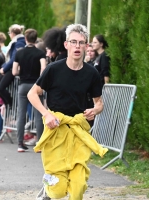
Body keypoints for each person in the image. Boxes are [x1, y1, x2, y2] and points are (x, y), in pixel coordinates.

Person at [28, 24, 108, 200]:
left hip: (79, 131)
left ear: (87, 46)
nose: (77, 46)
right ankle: (48, 190)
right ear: (66, 45)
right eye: (73, 42)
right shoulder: (53, 70)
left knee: (78, 187)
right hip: (56, 128)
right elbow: (32, 94)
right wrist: (46, 114)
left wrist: (95, 110)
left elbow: (99, 103)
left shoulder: (92, 73)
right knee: (57, 192)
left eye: (81, 43)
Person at [12, 28, 46, 152]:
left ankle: (20, 143)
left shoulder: (19, 53)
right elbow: (43, 69)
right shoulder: (40, 53)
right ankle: (40, 144)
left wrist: (23, 72)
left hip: (23, 85)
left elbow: (14, 71)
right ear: (36, 39)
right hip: (35, 86)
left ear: (25, 39)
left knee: (21, 114)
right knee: (38, 114)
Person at [0, 24, 26, 107]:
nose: (9, 35)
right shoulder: (17, 41)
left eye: (9, 33)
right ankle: (8, 105)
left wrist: (4, 69)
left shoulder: (19, 42)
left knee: (0, 88)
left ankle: (11, 105)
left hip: (14, 69)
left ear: (12, 33)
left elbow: (14, 58)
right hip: (10, 67)